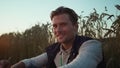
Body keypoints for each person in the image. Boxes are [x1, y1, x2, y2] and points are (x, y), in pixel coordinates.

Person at [11, 6, 104, 68]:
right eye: (55, 26)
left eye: (63, 24)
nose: (58, 30)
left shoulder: (91, 45)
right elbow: (31, 62)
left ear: (75, 27)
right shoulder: (54, 50)